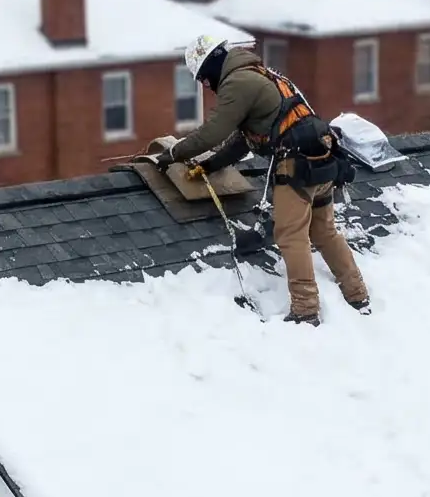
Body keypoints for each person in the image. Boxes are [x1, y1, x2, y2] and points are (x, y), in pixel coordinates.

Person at [153, 32, 370, 323]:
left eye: (204, 79)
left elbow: (213, 132)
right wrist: (211, 165)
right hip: (322, 154)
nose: (206, 86)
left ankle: (306, 310)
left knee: (290, 234)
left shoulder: (237, 83)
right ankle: (357, 294)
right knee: (324, 231)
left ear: (213, 65)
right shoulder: (260, 75)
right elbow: (243, 140)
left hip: (296, 162)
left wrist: (174, 153)